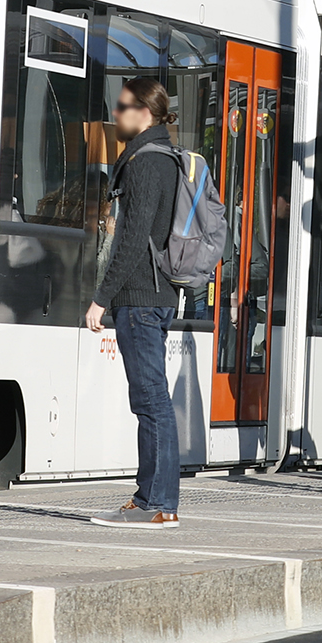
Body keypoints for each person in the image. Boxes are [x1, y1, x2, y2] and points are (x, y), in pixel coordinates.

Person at [83, 75, 190, 529]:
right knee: (150, 400)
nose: (116, 114)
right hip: (155, 294)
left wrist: (101, 298)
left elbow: (131, 239)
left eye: (123, 106)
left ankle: (159, 504)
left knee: (151, 401)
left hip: (141, 298)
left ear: (144, 112)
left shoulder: (146, 162)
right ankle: (150, 496)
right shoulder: (162, 156)